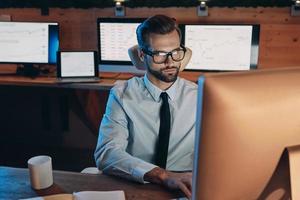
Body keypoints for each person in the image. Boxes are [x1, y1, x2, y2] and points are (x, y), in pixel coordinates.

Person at [94, 15, 197, 198]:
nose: (170, 62)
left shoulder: (199, 96)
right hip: (139, 182)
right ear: (142, 55)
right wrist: (162, 175)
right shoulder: (122, 94)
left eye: (175, 52)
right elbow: (107, 153)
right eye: (159, 54)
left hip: (186, 184)